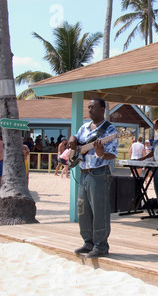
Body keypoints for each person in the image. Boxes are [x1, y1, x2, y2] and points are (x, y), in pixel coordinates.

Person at [68, 98, 118, 258]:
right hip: (83, 173)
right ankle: (88, 242)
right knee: (83, 210)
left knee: (100, 211)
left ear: (102, 109)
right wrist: (72, 139)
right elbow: (76, 141)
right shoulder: (84, 127)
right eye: (88, 107)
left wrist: (101, 152)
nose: (89, 110)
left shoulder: (110, 130)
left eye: (92, 107)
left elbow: (111, 155)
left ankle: (101, 246)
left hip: (99, 174)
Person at [137, 119, 158, 217]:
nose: (155, 127)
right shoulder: (157, 137)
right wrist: (143, 158)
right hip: (156, 165)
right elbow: (153, 151)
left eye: (156, 125)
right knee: (157, 186)